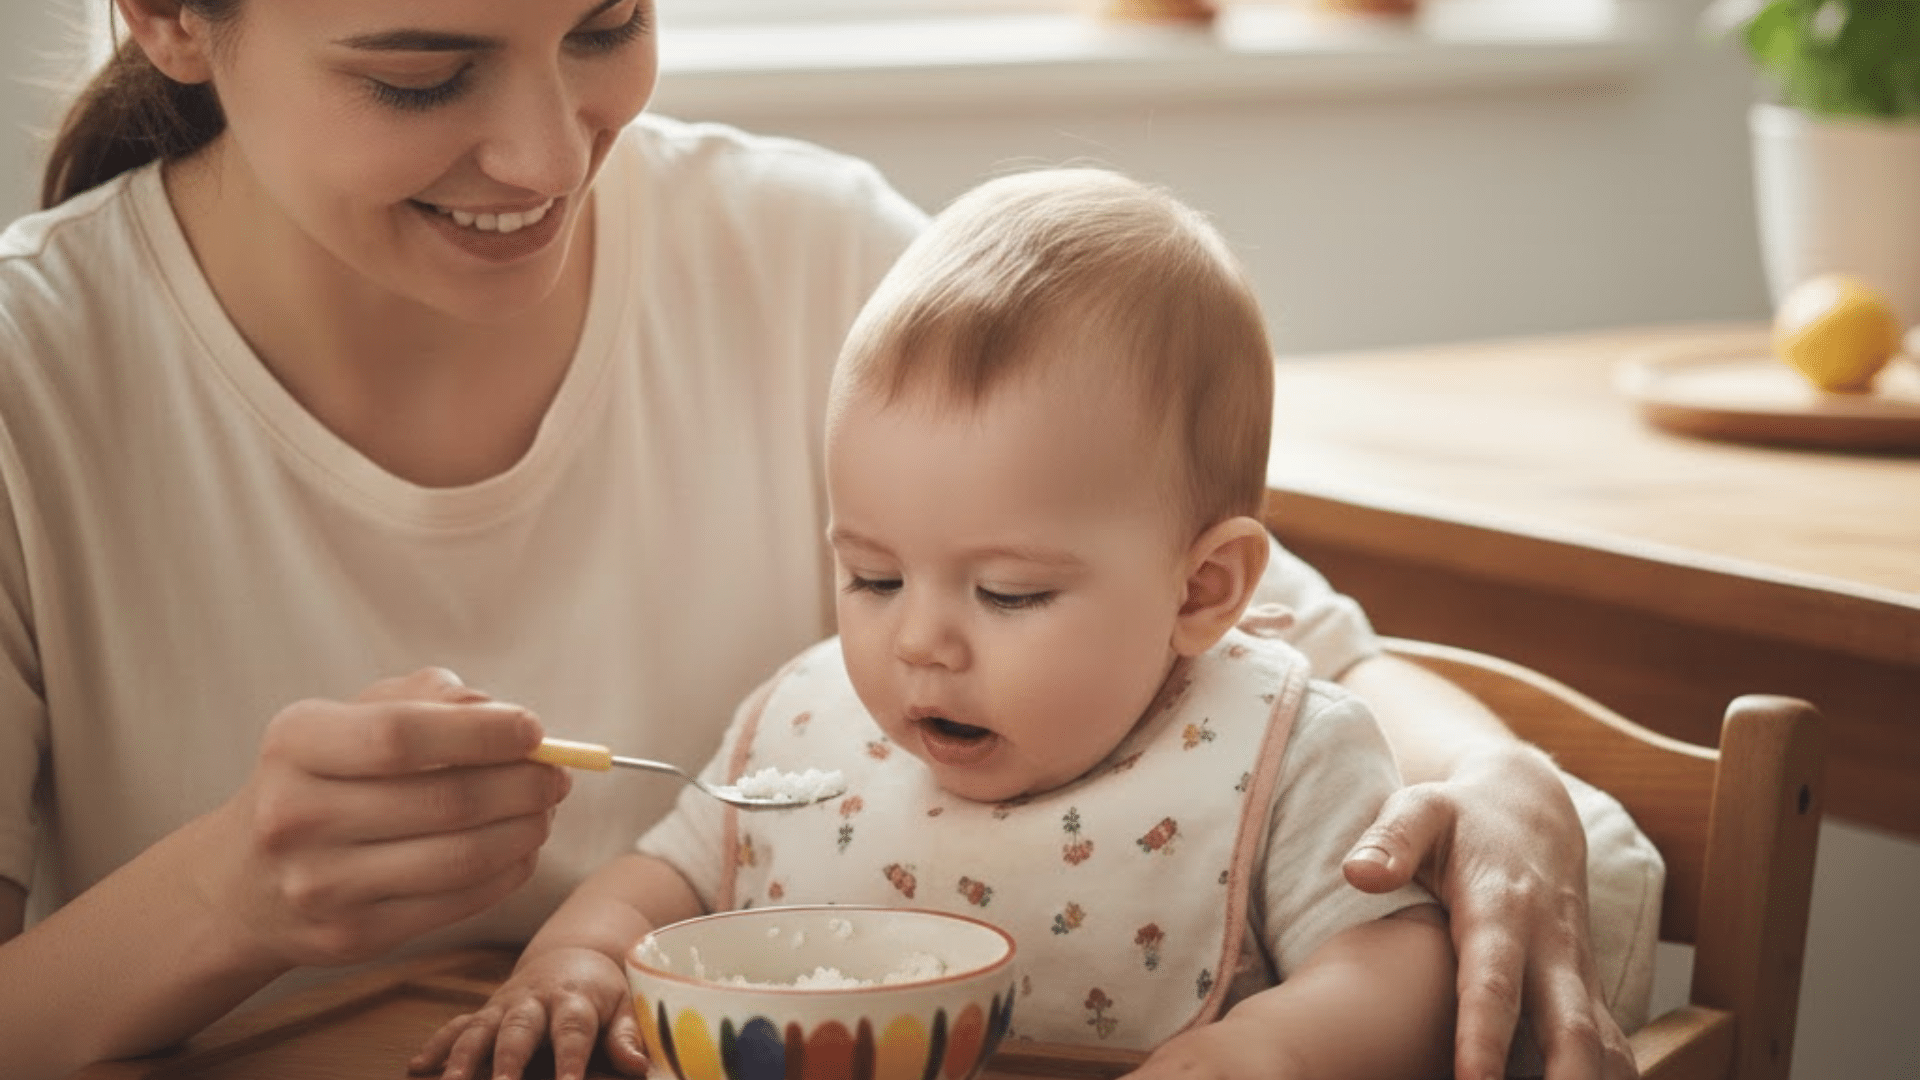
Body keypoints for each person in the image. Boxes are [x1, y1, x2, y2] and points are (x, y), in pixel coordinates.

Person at [0, 3, 1654, 1079]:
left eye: (605, 26)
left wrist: (1491, 771)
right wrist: (226, 896)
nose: (547, 152)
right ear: (165, 19)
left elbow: (1281, 660)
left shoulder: (819, 261)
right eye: (419, 73)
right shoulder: (35, 384)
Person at [416, 166, 1463, 1080]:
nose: (919, 642)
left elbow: (1402, 963)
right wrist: (576, 962)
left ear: (1200, 590)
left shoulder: (1280, 751)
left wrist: (1278, 1050)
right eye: (873, 577)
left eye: (1009, 594)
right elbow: (666, 876)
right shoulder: (808, 729)